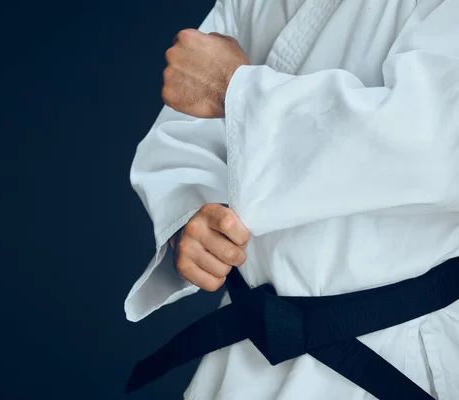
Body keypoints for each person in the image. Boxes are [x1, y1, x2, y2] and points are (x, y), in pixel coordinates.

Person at [124, 0, 459, 399]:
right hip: (243, 359)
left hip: (392, 357)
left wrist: (236, 89)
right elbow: (189, 115)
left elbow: (436, 148)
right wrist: (195, 214)